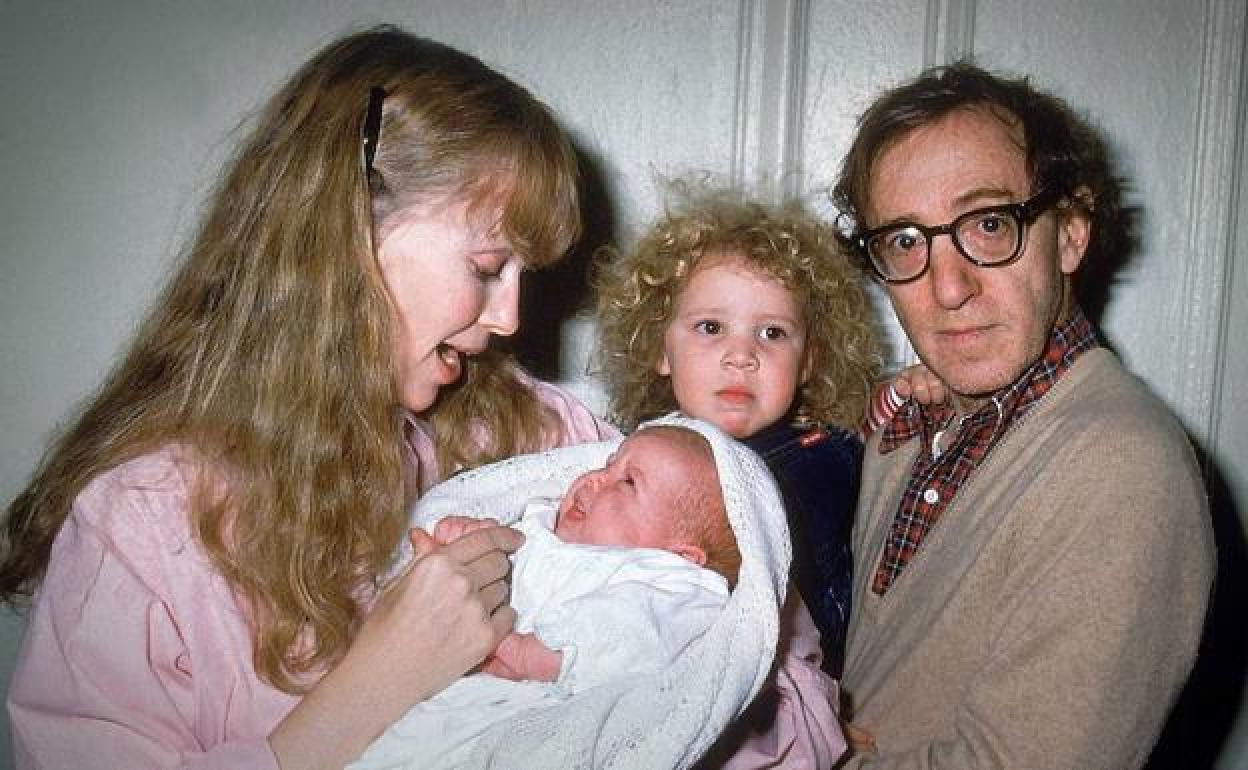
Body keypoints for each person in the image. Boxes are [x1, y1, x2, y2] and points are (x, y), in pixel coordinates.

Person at [0, 25, 602, 769]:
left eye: (521, 277)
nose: (510, 317)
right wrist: (378, 684)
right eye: (487, 265)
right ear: (347, 235)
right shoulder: (142, 529)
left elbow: (746, 655)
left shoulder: (547, 442)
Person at [830, 60, 1216, 768]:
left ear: (1069, 232)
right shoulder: (909, 424)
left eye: (988, 223)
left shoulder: (1121, 466)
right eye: (906, 241)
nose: (948, 287)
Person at [594, 186, 882, 680]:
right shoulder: (635, 451)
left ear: (807, 361)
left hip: (773, 684)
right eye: (710, 327)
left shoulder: (817, 459)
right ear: (659, 349)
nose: (741, 354)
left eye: (772, 333)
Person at [351, 424, 744, 769]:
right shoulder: (540, 523)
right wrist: (470, 537)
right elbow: (500, 556)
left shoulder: (671, 584)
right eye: (608, 463)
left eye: (628, 482)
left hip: (527, 712)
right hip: (444, 693)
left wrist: (523, 653)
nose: (594, 478)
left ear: (681, 555)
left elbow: (633, 635)